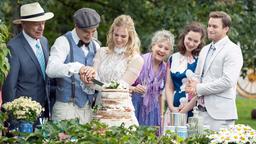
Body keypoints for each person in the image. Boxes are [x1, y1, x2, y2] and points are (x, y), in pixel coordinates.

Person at [185, 11, 243, 131]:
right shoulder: (205, 49)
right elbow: (197, 75)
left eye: (214, 26)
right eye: (209, 25)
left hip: (220, 115)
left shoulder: (233, 50)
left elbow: (227, 81)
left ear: (226, 28)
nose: (210, 29)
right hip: (199, 113)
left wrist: (198, 87)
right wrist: (192, 84)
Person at [2, 2, 54, 129]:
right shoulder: (13, 47)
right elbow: (9, 88)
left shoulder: (44, 41)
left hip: (44, 114)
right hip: (23, 118)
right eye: (36, 24)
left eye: (43, 23)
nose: (41, 27)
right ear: (23, 24)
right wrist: (13, 123)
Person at [46, 8, 100, 124]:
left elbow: (101, 83)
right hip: (65, 109)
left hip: (88, 110)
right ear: (76, 25)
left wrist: (94, 81)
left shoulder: (96, 46)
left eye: (93, 31)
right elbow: (50, 69)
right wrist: (76, 67)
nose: (90, 35)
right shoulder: (63, 42)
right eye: (86, 31)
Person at [93, 15, 144, 126]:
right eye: (116, 35)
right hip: (100, 106)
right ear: (112, 33)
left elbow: (120, 87)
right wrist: (94, 81)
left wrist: (99, 84)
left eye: (123, 36)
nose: (119, 39)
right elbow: (93, 80)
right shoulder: (101, 52)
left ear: (130, 37)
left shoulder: (136, 59)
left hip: (120, 110)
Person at [131, 30, 174, 127]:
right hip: (135, 106)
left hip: (153, 111)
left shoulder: (166, 68)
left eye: (166, 49)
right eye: (159, 46)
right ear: (153, 46)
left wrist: (161, 115)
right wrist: (134, 88)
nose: (162, 50)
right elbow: (124, 85)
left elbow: (160, 95)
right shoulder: (140, 61)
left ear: (169, 52)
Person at [165, 22, 206, 118]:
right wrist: (172, 108)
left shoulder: (201, 61)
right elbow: (169, 86)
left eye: (195, 41)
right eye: (189, 39)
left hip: (193, 111)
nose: (191, 43)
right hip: (173, 109)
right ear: (184, 36)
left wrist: (184, 111)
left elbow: (200, 90)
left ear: (200, 42)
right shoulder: (173, 58)